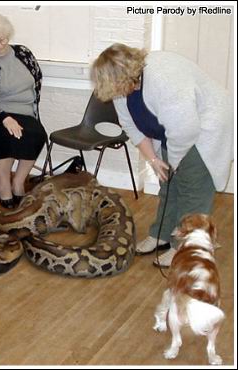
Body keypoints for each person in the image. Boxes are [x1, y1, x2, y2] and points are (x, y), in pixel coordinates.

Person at [91, 43, 233, 267]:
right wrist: (155, 160)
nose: (115, 94)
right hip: (175, 129)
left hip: (204, 127)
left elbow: (185, 131)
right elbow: (131, 126)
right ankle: (162, 234)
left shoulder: (163, 78)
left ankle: (186, 248)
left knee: (192, 190)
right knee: (168, 184)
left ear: (125, 77)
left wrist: (173, 162)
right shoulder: (122, 86)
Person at [0, 13, 47, 209]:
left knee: (37, 135)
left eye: (2, 39)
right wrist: (4, 118)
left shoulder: (23, 53)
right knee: (6, 135)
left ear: (8, 35)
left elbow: (36, 77)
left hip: (25, 112)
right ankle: (4, 183)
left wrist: (30, 109)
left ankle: (19, 181)